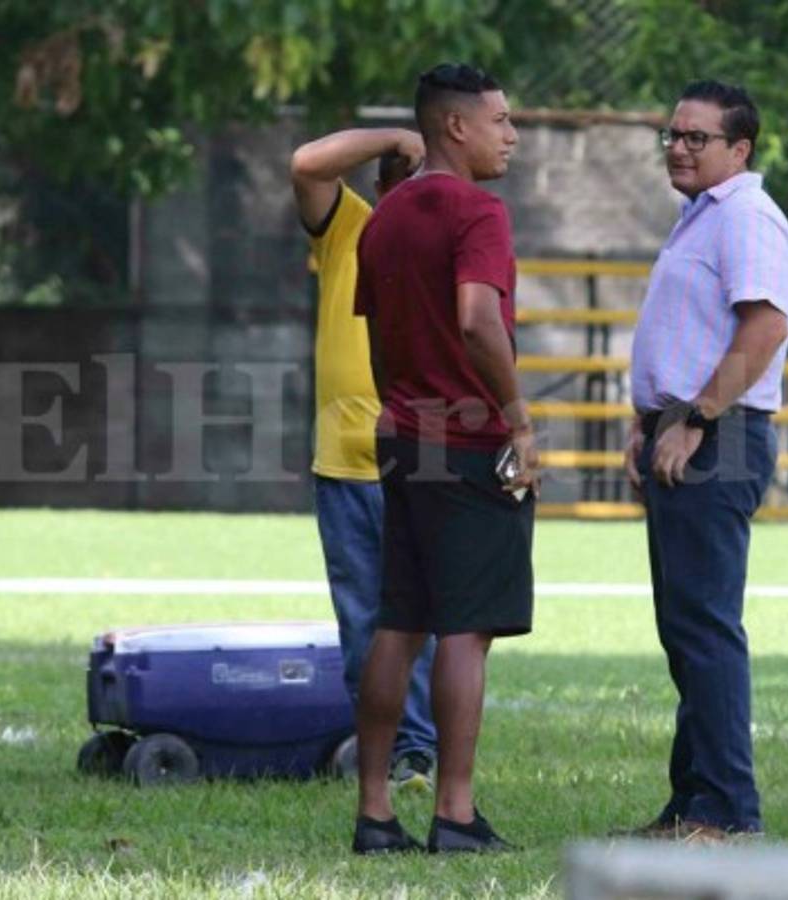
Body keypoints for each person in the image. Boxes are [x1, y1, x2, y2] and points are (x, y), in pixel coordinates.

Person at [350, 63, 538, 855]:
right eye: (500, 120)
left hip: (401, 433)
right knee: (466, 629)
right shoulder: (477, 211)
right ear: (455, 127)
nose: (511, 135)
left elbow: (377, 339)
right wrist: (518, 420)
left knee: (399, 620)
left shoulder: (384, 216)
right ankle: (455, 815)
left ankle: (374, 813)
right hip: (468, 442)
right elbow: (475, 319)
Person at [622, 80, 788, 840]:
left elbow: (761, 328)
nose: (679, 147)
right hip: (681, 429)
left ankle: (727, 812)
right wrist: (647, 421)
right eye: (673, 133)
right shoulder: (699, 217)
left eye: (697, 138)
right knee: (685, 628)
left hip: (717, 435)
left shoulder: (747, 218)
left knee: (705, 628)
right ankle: (691, 803)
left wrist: (693, 419)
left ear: (739, 149)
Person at [290, 127, 438, 792]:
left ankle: (418, 749)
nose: (410, 189)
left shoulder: (453, 237)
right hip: (346, 463)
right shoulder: (349, 226)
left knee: (424, 616)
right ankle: (381, 746)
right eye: (398, 176)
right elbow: (306, 163)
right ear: (380, 187)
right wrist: (397, 135)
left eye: (423, 174)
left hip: (424, 457)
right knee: (361, 619)